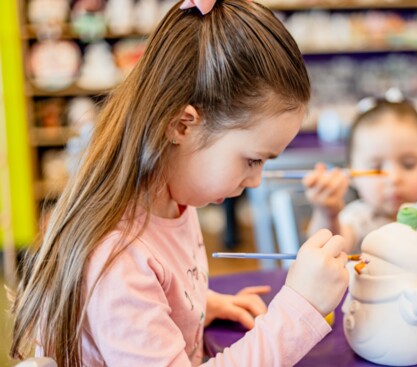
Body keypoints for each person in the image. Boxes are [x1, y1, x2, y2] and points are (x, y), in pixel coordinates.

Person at [10, 1, 349, 366]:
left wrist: (199, 306)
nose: (255, 180)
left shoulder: (171, 199)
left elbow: (159, 297)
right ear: (182, 126)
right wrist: (299, 311)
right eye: (253, 160)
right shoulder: (118, 258)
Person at [303, 99, 417, 254]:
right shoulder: (359, 219)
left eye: (408, 164)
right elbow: (329, 249)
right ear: (352, 174)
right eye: (376, 168)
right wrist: (328, 214)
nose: (393, 178)